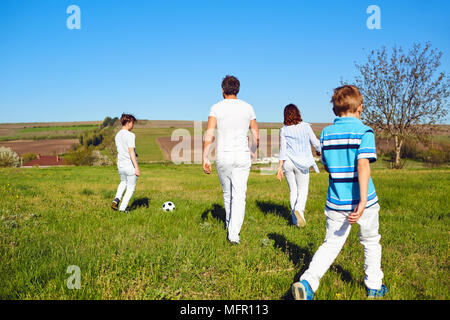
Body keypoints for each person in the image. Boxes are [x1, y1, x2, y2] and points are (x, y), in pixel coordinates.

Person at [291, 85, 388, 300]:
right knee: (370, 241)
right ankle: (374, 287)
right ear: (360, 107)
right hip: (365, 202)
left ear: (335, 111)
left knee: (331, 244)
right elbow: (363, 165)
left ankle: (307, 284)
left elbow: (326, 165)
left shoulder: (326, 133)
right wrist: (362, 201)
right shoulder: (364, 132)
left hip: (335, 202)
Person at [202, 75, 259, 245]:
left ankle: (230, 227)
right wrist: (253, 151)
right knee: (239, 195)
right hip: (242, 155)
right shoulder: (248, 107)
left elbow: (209, 134)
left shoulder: (216, 108)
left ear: (222, 90)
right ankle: (234, 234)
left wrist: (205, 157)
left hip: (224, 155)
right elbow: (255, 134)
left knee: (228, 194)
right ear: (238, 89)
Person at [276, 104, 321, 227]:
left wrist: (279, 167)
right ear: (298, 113)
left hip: (288, 163)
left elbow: (282, 150)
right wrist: (319, 150)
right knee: (303, 190)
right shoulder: (306, 127)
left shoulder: (283, 130)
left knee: (293, 191)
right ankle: (299, 209)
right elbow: (316, 143)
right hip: (302, 163)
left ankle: (295, 221)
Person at [111, 113, 140, 213]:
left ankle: (117, 199)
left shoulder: (117, 135)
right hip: (129, 165)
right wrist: (136, 167)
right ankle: (122, 209)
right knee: (131, 188)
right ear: (127, 122)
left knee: (123, 182)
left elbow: (121, 150)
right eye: (132, 123)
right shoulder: (131, 135)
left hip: (121, 165)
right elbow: (131, 151)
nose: (133, 125)